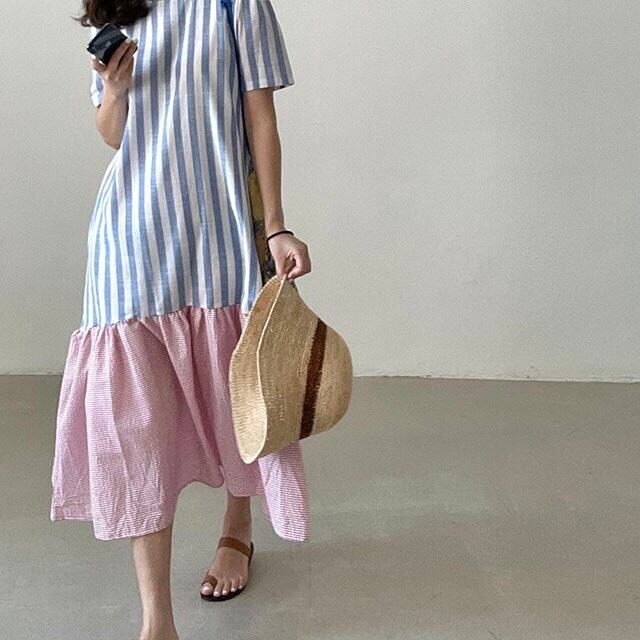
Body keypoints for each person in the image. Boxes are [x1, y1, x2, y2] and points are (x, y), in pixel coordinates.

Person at [49, 1, 310, 638]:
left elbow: (261, 117)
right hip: (131, 234)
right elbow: (113, 134)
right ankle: (157, 621)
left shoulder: (235, 5)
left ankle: (237, 527)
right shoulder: (118, 7)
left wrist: (276, 225)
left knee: (239, 389)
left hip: (222, 230)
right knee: (134, 422)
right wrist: (115, 90)